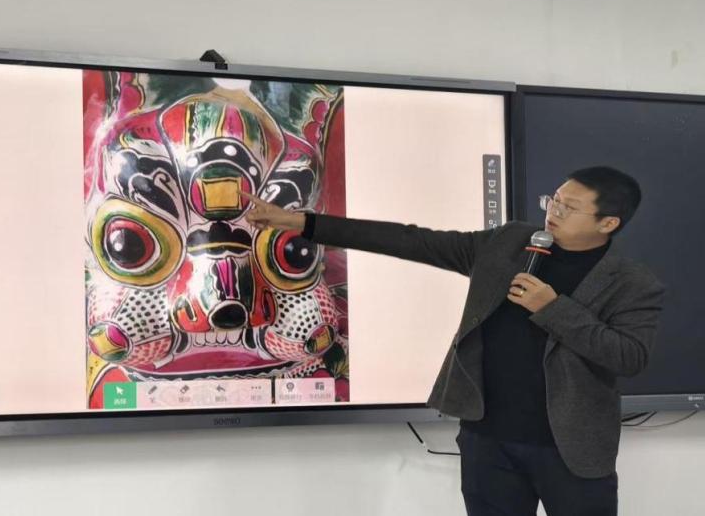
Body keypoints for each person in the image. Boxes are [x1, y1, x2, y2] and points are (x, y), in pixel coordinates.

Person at [239, 166, 665, 516]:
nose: (553, 212)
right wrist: (302, 223)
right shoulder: (510, 243)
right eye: (553, 200)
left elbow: (629, 356)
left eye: (568, 208)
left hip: (571, 450)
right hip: (488, 440)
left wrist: (552, 307)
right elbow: (413, 240)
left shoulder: (632, 283)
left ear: (608, 223)